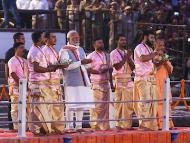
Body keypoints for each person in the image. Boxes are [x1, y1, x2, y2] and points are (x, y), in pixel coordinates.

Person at [27, 31, 60, 135]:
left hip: (44, 82)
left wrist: (52, 67)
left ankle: (43, 129)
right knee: (37, 107)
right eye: (42, 37)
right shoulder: (34, 51)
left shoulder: (38, 49)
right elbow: (36, 68)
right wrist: (49, 69)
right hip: (37, 83)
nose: (44, 39)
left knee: (45, 107)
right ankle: (35, 130)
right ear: (39, 39)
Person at [59, 30, 93, 131]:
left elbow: (84, 64)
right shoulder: (64, 50)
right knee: (70, 104)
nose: (76, 39)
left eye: (77, 37)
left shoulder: (80, 49)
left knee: (80, 104)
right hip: (71, 81)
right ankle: (69, 126)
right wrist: (80, 62)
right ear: (68, 39)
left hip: (82, 80)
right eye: (74, 38)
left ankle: (79, 126)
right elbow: (66, 66)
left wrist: (88, 63)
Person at [42, 32, 67, 133]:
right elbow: (45, 67)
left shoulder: (54, 50)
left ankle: (58, 128)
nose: (55, 39)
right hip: (49, 81)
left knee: (58, 106)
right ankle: (50, 129)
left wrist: (62, 64)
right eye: (53, 37)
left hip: (56, 81)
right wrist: (58, 65)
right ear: (46, 39)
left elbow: (56, 65)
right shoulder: (44, 50)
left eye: (55, 37)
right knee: (50, 106)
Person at [133, 29, 159, 131]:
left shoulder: (149, 48)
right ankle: (143, 124)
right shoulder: (139, 47)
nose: (153, 40)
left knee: (153, 103)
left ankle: (151, 125)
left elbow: (152, 63)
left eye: (154, 38)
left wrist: (162, 60)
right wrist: (154, 54)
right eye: (151, 37)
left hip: (151, 79)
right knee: (145, 101)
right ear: (145, 37)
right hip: (142, 79)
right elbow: (143, 58)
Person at [87, 37, 114, 130]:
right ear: (94, 45)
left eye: (102, 43)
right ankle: (95, 126)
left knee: (105, 107)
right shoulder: (91, 56)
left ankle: (105, 127)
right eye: (99, 43)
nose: (101, 44)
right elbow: (88, 69)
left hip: (106, 83)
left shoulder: (107, 55)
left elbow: (111, 69)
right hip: (96, 83)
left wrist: (112, 83)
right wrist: (99, 71)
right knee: (97, 106)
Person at [110, 34, 135, 129]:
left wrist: (128, 57)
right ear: (117, 41)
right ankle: (119, 125)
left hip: (128, 80)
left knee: (129, 104)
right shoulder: (113, 53)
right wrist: (126, 57)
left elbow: (133, 67)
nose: (123, 42)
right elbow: (117, 66)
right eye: (121, 40)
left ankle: (127, 125)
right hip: (119, 80)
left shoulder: (127, 52)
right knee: (119, 104)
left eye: (124, 40)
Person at [4, 32, 28, 130]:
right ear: (17, 40)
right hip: (15, 86)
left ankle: (24, 127)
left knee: (25, 107)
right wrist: (9, 82)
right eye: (22, 38)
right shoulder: (10, 55)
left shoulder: (24, 57)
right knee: (14, 108)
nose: (24, 40)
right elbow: (10, 71)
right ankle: (14, 127)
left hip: (24, 85)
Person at [154, 38, 174, 130]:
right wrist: (162, 60)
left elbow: (170, 71)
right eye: (160, 45)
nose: (162, 47)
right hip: (156, 83)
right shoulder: (152, 55)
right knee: (158, 103)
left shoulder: (165, 56)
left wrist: (165, 60)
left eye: (163, 45)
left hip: (165, 82)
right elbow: (154, 69)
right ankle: (158, 125)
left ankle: (168, 124)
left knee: (166, 103)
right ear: (155, 45)